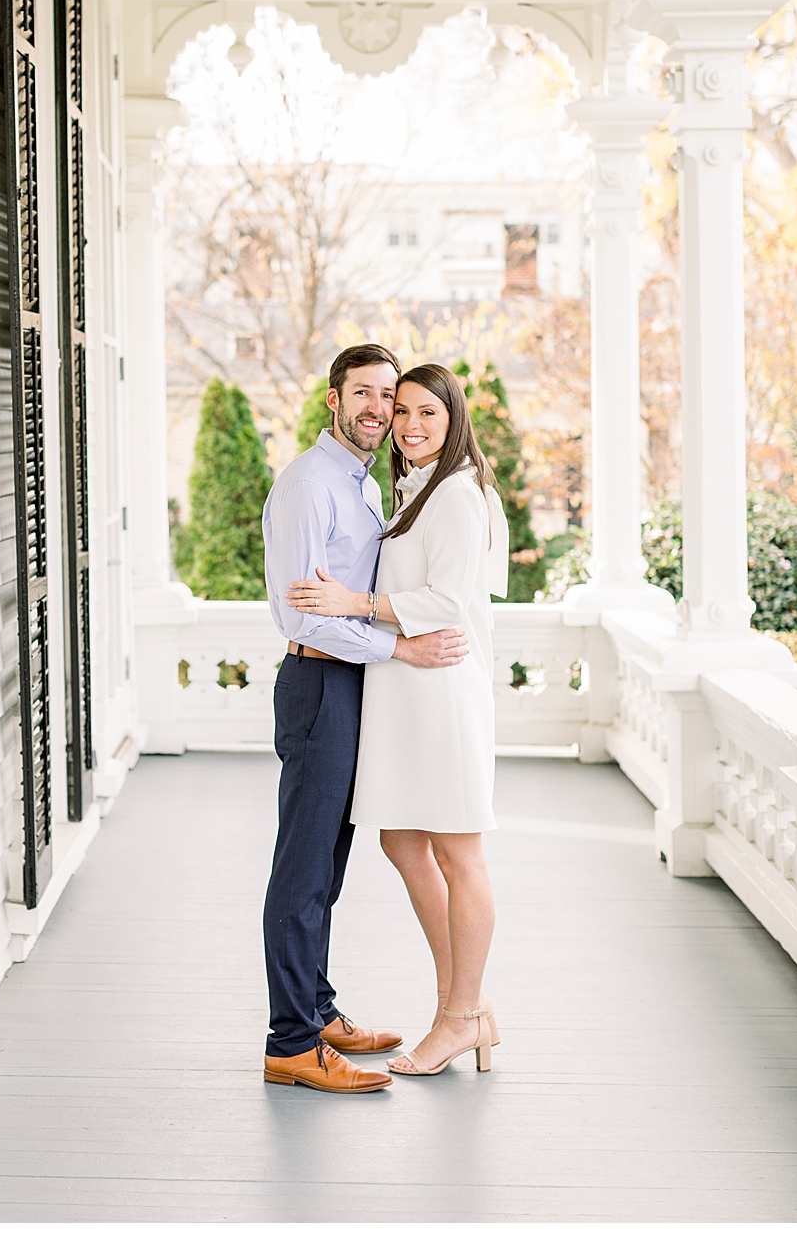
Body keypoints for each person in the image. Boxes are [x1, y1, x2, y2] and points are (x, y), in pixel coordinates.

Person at [286, 362, 507, 1077]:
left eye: (424, 413)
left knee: (459, 854)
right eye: (400, 410)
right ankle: (466, 1001)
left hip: (439, 689)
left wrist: (355, 604)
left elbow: (448, 601)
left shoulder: (459, 494)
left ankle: (459, 1016)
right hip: (404, 690)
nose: (407, 424)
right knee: (403, 842)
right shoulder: (414, 488)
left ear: (453, 419)